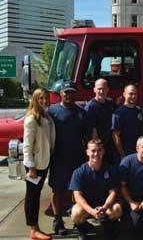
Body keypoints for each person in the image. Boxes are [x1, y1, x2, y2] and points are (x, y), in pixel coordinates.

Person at [49, 80, 88, 235]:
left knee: (76, 191)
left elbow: (87, 135)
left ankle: (78, 221)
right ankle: (57, 220)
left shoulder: (81, 112)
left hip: (77, 158)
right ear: (61, 94)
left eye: (72, 92)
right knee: (57, 190)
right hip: (58, 158)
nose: (69, 95)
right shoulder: (52, 111)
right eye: (66, 92)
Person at [69, 139, 122, 240]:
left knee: (117, 209)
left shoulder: (110, 170)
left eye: (99, 150)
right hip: (87, 207)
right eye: (93, 151)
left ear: (103, 152)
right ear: (87, 152)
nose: (96, 153)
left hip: (105, 206)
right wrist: (92, 211)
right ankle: (82, 229)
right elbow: (77, 196)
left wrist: (105, 207)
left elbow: (113, 192)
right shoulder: (79, 172)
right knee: (76, 212)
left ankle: (108, 227)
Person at [23, 88, 55, 240]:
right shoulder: (31, 119)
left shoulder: (46, 115)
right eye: (40, 98)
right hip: (35, 165)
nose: (44, 101)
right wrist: (31, 167)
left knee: (36, 195)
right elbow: (27, 146)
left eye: (46, 98)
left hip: (44, 162)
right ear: (35, 99)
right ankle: (34, 229)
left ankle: (35, 228)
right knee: (32, 197)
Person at [85, 78, 116, 164]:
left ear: (108, 90)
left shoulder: (110, 103)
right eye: (99, 89)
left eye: (104, 88)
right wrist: (99, 149)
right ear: (94, 90)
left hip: (110, 144)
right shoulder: (90, 107)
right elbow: (93, 130)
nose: (101, 91)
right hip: (99, 145)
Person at [112, 84, 143, 158]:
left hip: (138, 152)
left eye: (135, 94)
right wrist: (122, 155)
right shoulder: (119, 113)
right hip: (125, 153)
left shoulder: (139, 110)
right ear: (124, 94)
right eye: (130, 94)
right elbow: (115, 135)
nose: (133, 96)